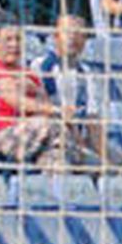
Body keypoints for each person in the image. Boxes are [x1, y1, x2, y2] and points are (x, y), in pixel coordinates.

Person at [0, 24, 102, 168]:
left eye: (18, 39)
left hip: (30, 139)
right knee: (50, 126)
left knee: (87, 162)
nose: (14, 44)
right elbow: (17, 101)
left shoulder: (27, 73)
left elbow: (44, 102)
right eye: (8, 40)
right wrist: (56, 110)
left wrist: (75, 138)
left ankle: (56, 179)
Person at [32, 10, 106, 159]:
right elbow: (42, 109)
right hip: (51, 140)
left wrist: (103, 156)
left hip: (81, 141)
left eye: (79, 33)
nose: (73, 38)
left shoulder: (87, 73)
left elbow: (92, 118)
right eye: (68, 33)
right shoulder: (41, 67)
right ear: (56, 37)